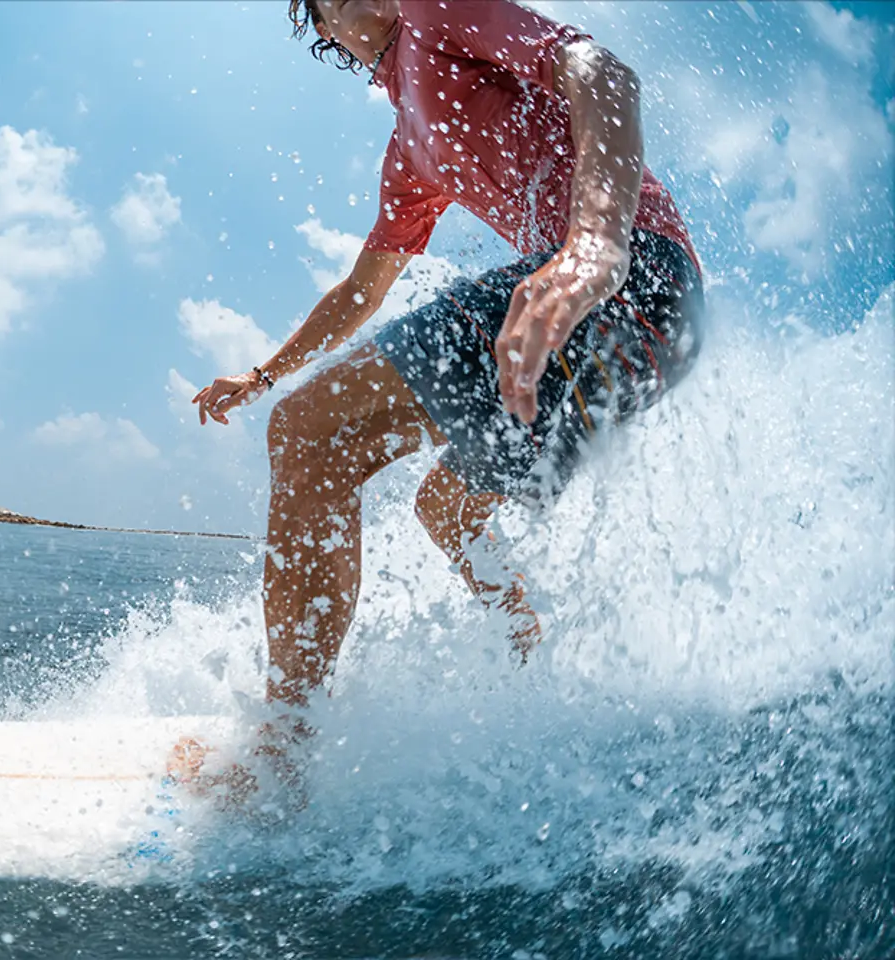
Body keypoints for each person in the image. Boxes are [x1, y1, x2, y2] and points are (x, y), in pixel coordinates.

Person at [174, 0, 704, 802]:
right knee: (446, 507)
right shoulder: (408, 155)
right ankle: (529, 662)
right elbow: (362, 289)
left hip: (631, 279)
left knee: (311, 434)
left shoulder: (437, 10)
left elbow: (600, 70)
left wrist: (595, 240)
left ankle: (281, 749)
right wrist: (262, 374)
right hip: (650, 342)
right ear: (326, 30)